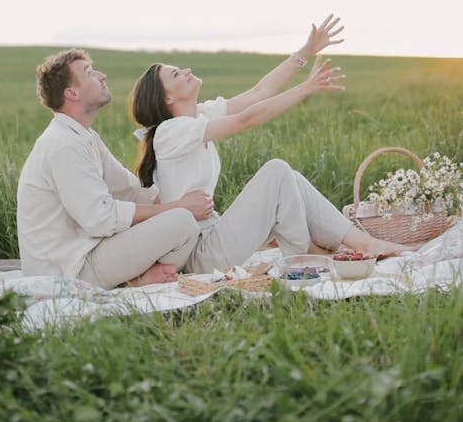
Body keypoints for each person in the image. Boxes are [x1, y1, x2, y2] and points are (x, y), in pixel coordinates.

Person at [130, 16, 418, 273]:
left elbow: (260, 92)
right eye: (176, 74)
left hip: (215, 235)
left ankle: (363, 243)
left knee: (289, 177)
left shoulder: (199, 115)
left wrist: (306, 51)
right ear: (166, 98)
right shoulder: (171, 131)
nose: (186, 70)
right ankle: (305, 257)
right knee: (277, 171)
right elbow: (246, 119)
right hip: (200, 253)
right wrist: (306, 87)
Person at [17, 48, 215, 290]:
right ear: (72, 93)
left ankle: (137, 276)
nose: (102, 75)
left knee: (180, 219)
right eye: (89, 72)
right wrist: (177, 206)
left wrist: (177, 189)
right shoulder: (63, 145)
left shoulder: (84, 137)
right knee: (182, 221)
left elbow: (128, 190)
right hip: (67, 270)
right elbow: (100, 219)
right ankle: (132, 280)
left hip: (89, 251)